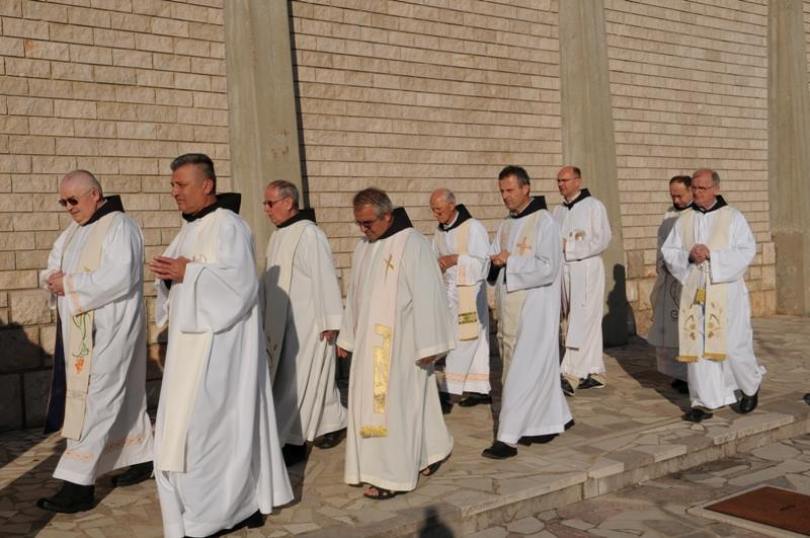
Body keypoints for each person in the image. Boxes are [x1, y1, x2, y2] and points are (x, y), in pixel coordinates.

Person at [149, 154, 292, 537]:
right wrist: (169, 278)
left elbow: (240, 285)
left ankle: (214, 515)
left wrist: (189, 272)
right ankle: (228, 507)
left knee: (210, 432)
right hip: (188, 351)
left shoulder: (230, 225)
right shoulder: (188, 228)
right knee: (189, 433)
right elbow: (178, 283)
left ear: (207, 184)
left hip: (221, 352)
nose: (174, 191)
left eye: (181, 184)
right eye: (173, 184)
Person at [36, 170, 154, 513]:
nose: (68, 207)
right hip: (82, 333)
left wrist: (69, 284)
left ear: (95, 195)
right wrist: (52, 279)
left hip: (111, 330)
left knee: (96, 400)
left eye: (73, 200)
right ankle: (140, 455)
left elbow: (120, 277)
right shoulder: (74, 231)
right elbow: (52, 265)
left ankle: (78, 485)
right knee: (122, 396)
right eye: (63, 202)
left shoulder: (120, 226)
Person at [337, 188, 454, 499]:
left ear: (387, 216)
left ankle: (390, 475)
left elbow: (429, 294)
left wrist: (431, 345)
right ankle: (431, 450)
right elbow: (355, 296)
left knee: (393, 410)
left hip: (401, 345)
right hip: (369, 345)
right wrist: (347, 337)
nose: (363, 229)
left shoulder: (412, 243)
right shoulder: (363, 247)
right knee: (409, 404)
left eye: (368, 223)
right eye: (359, 223)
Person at [483, 166, 573, 459]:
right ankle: (547, 421)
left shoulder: (545, 222)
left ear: (526, 188)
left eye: (510, 190)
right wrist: (494, 262)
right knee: (529, 369)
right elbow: (494, 258)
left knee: (521, 373)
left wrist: (511, 261)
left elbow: (548, 267)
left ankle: (507, 438)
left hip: (535, 310)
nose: (505, 196)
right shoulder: (506, 224)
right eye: (502, 191)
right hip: (510, 308)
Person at [662, 168, 766, 423]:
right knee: (696, 344)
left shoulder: (733, 217)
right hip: (694, 288)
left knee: (734, 343)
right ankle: (703, 401)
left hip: (725, 290)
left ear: (716, 189)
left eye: (703, 188)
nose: (697, 192)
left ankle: (750, 384)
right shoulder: (684, 219)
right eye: (694, 187)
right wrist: (689, 256)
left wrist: (713, 256)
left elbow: (746, 250)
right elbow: (669, 250)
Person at [261, 179, 347, 466]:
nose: (266, 209)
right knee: (304, 382)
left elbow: (325, 276)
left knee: (299, 381)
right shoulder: (277, 236)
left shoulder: (309, 234)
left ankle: (293, 439)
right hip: (280, 323)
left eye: (270, 203)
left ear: (288, 202)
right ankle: (332, 423)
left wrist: (330, 320)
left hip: (308, 323)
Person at [429, 188, 491, 411]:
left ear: (451, 205)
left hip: (469, 294)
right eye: (433, 210)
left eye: (439, 210)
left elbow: (484, 264)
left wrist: (457, 259)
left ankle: (450, 390)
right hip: (449, 294)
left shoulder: (472, 228)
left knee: (463, 339)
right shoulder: (439, 231)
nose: (436, 214)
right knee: (470, 341)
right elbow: (434, 257)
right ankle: (479, 388)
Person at [552, 166, 612, 396]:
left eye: (565, 180)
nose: (561, 185)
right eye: (559, 181)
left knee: (582, 319)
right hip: (565, 270)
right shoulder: (558, 210)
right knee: (576, 319)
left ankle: (571, 373)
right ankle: (594, 372)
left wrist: (569, 246)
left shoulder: (594, 206)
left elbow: (602, 239)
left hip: (586, 270)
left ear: (578, 181)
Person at [649, 175, 693, 394]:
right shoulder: (669, 213)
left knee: (687, 329)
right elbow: (662, 242)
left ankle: (691, 375)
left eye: (680, 195)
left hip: (688, 279)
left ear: (691, 191)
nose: (676, 200)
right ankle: (678, 373)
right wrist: (661, 264)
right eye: (672, 196)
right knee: (671, 331)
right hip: (668, 278)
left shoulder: (697, 216)